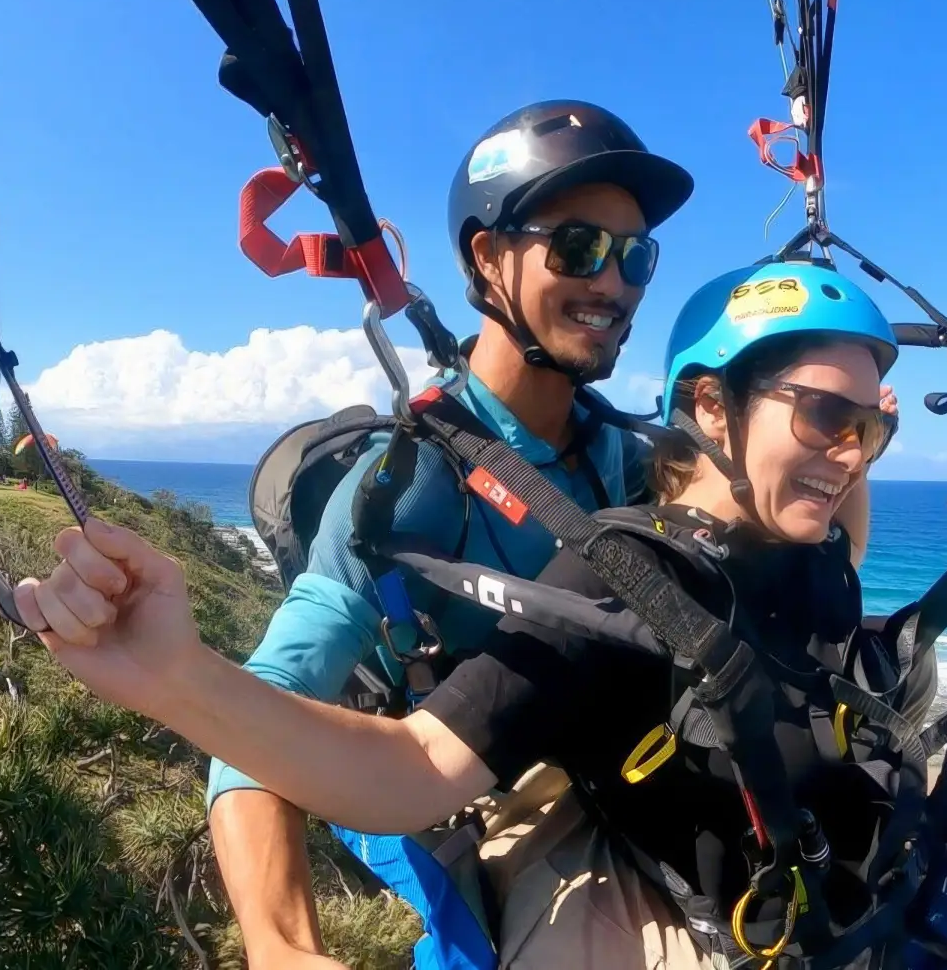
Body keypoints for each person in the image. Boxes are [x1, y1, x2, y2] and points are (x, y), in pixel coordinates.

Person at [13, 256, 947, 970]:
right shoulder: (619, 585)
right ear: (712, 412)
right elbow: (400, 774)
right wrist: (173, 673)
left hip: (897, 863)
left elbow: (824, 496)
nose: (855, 451)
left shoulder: (809, 538)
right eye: (827, 417)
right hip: (767, 912)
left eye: (879, 424)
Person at [204, 98, 697, 969]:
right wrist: (280, 945)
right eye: (580, 246)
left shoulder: (619, 454)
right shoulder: (405, 493)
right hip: (439, 784)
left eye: (636, 257)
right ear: (487, 256)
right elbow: (258, 711)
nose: (615, 285)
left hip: (589, 765)